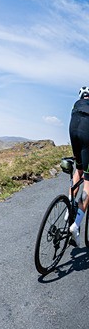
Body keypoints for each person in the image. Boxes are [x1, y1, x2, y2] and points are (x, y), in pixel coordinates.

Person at [69, 86, 89, 243]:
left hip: (73, 128)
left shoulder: (77, 104)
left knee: (79, 169)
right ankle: (75, 226)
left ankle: (68, 209)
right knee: (88, 185)